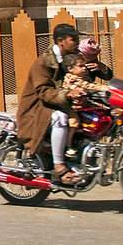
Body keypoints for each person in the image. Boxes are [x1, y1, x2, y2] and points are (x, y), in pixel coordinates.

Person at [16, 23, 91, 185]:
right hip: (39, 107)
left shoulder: (73, 58)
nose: (77, 42)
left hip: (61, 103)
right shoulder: (43, 62)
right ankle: (59, 166)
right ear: (60, 41)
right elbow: (44, 91)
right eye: (73, 39)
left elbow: (85, 77)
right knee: (60, 118)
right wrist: (68, 94)